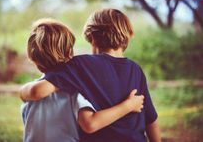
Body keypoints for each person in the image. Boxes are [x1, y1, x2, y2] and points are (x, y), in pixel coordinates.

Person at [20, 9, 161, 142]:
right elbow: (151, 120)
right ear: (127, 36)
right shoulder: (136, 70)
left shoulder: (80, 65)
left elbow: (39, 90)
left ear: (92, 38)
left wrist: (22, 91)